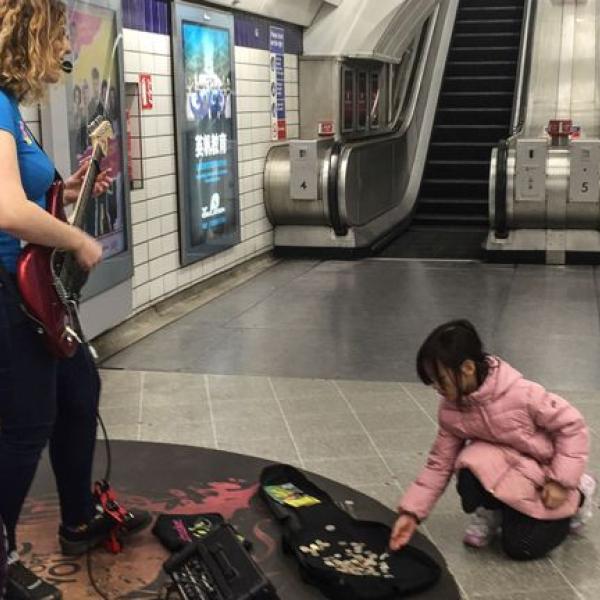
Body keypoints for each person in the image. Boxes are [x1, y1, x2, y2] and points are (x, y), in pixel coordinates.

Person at [0, 2, 151, 598]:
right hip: (9, 297)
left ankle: (77, 519)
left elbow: (32, 197)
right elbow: (9, 211)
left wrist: (76, 186)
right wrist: (79, 240)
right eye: (57, 33)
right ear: (28, 33)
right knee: (24, 425)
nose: (62, 46)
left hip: (31, 298)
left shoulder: (13, 109)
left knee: (79, 388)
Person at [389, 320, 596, 561]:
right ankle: (493, 510)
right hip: (504, 470)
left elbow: (572, 426)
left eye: (441, 380)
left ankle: (582, 491)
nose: (436, 388)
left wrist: (562, 482)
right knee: (467, 464)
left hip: (543, 474)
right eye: (431, 382)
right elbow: (440, 463)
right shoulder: (452, 410)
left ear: (467, 368)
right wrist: (411, 514)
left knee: (522, 547)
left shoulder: (523, 394)